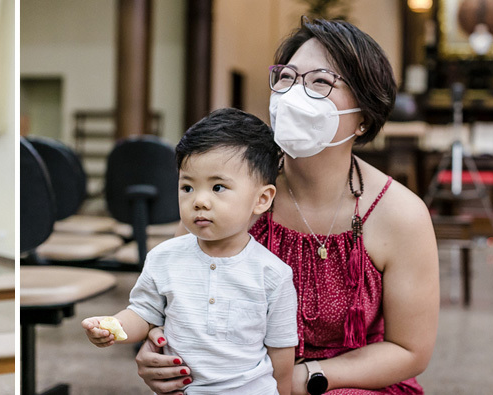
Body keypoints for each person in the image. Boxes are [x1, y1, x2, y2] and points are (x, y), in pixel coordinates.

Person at [135, 18, 439, 395]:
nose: (295, 94)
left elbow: (409, 350)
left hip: (347, 383)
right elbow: (173, 292)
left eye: (320, 82)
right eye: (287, 78)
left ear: (363, 117)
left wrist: (302, 377)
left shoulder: (398, 213)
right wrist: (156, 347)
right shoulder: (231, 189)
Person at [82, 108, 298, 395]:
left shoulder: (274, 274)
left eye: (218, 187)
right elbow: (144, 314)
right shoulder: (165, 257)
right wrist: (114, 327)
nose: (199, 201)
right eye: (187, 187)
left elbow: (281, 354)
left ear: (261, 199)